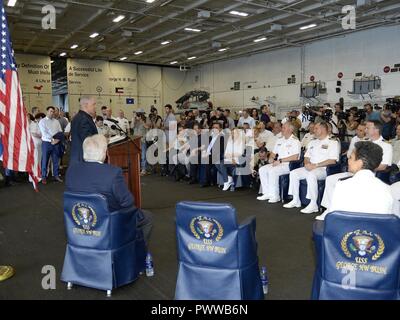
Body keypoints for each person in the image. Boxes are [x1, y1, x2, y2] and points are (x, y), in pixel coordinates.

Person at [65, 134, 152, 245]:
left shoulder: (72, 171)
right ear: (104, 153)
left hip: (78, 222)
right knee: (147, 217)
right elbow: (128, 201)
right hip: (108, 223)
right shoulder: (112, 173)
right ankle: (135, 251)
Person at [319, 120, 393, 217]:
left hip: (371, 174)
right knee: (330, 179)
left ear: (376, 130)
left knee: (341, 183)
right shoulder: (363, 142)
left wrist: (363, 168)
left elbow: (383, 166)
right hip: (355, 171)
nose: (365, 130)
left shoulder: (386, 145)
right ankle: (329, 209)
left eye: (367, 128)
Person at [284, 122, 340, 214]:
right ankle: (295, 200)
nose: (314, 130)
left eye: (316, 128)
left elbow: (332, 160)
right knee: (294, 173)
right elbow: (306, 157)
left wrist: (316, 165)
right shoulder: (312, 142)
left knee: (311, 175)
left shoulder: (333, 142)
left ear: (323, 129)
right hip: (311, 166)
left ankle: (313, 204)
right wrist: (307, 164)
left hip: (324, 169)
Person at [257, 122, 301, 203]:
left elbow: (295, 157)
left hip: (289, 165)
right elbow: (273, 153)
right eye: (282, 127)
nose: (282, 129)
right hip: (279, 163)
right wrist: (271, 158)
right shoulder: (279, 140)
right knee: (262, 169)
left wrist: (280, 161)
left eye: (284, 128)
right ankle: (266, 193)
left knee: (273, 171)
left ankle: (275, 196)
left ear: (290, 129)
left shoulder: (295, 141)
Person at [70, 96, 98, 165]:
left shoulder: (80, 117)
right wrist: (101, 140)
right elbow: (87, 140)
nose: (95, 106)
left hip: (79, 156)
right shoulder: (83, 119)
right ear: (86, 105)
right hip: (84, 157)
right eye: (93, 104)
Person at [38, 106, 63, 183]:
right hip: (46, 143)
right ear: (47, 111)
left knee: (56, 160)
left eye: (53, 111)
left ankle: (56, 175)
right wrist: (53, 139)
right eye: (51, 111)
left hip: (56, 143)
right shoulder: (42, 121)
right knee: (45, 160)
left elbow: (60, 132)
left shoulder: (56, 121)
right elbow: (44, 133)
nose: (52, 113)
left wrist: (57, 140)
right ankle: (44, 176)